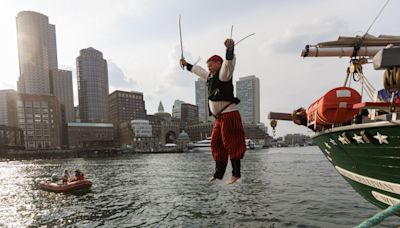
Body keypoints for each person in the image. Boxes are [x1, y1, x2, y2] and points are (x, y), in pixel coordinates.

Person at [180, 38, 246, 185]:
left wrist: (230, 50)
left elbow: (229, 64)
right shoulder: (209, 77)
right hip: (219, 118)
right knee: (216, 143)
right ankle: (219, 173)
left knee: (232, 143)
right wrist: (186, 65)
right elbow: (199, 71)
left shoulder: (224, 74)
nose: (208, 68)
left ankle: (236, 173)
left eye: (211, 65)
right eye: (208, 66)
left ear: (218, 64)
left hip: (229, 114)